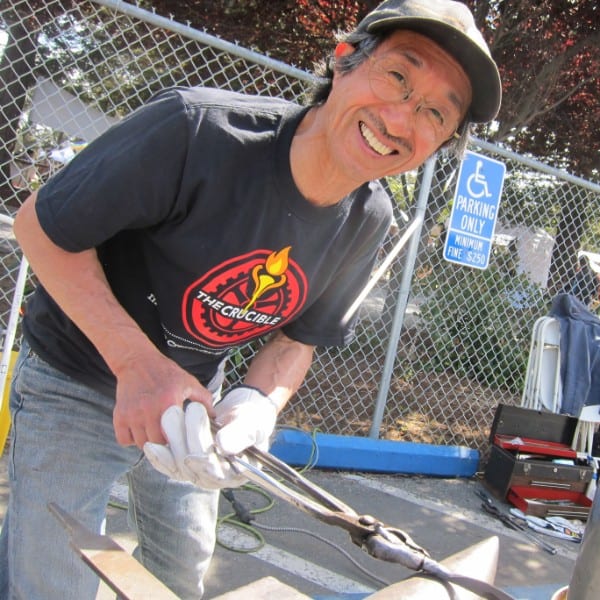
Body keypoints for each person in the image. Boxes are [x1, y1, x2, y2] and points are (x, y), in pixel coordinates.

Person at [0, 1, 502, 598]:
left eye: (435, 113)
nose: (401, 119)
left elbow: (300, 338)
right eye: (398, 77)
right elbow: (41, 227)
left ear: (441, 141)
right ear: (343, 60)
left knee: (180, 572)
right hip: (75, 375)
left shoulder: (369, 220)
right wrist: (137, 366)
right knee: (51, 581)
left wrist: (256, 404)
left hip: (194, 404)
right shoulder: (196, 130)